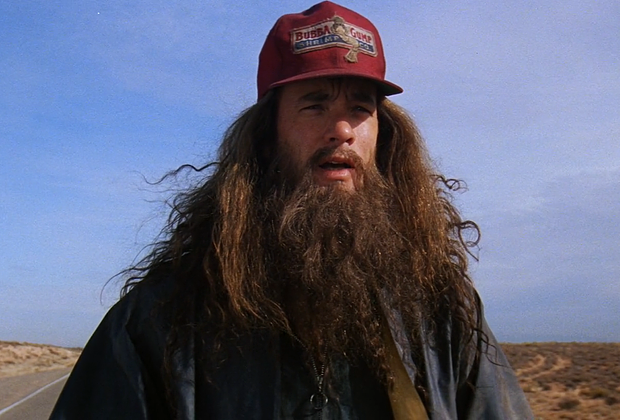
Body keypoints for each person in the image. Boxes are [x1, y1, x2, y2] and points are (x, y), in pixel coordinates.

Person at [50, 2, 533, 419]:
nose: (342, 129)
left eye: (360, 108)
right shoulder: (162, 321)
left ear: (383, 136)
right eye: (314, 105)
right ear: (266, 136)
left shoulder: (441, 312)